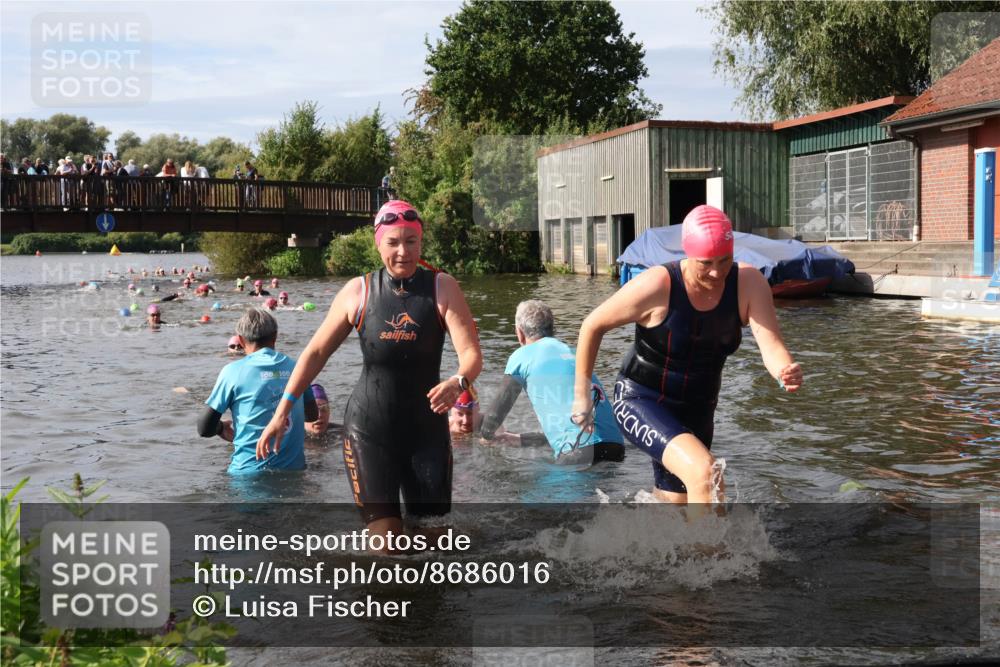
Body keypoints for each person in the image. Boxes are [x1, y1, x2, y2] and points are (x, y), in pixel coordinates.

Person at [255, 199, 482, 539]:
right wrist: (282, 412)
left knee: (435, 540)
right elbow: (315, 352)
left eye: (411, 241)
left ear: (421, 242)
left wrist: (458, 380)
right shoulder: (357, 292)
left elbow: (472, 354)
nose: (403, 252)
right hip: (370, 431)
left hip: (427, 434)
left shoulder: (441, 287)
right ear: (378, 244)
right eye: (393, 242)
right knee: (386, 542)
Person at [572, 205, 803, 504]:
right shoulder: (658, 285)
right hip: (641, 400)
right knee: (706, 474)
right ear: (687, 253)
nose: (717, 272)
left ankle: (640, 546)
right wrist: (582, 394)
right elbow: (592, 325)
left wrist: (785, 370)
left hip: (698, 411)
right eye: (706, 263)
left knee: (678, 506)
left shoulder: (748, 283)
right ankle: (718, 553)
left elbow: (771, 345)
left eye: (725, 260)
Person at [480, 300, 625, 465]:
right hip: (616, 446)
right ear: (552, 330)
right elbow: (562, 430)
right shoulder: (575, 353)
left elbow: (493, 416)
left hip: (577, 450)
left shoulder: (521, 356)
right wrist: (518, 439)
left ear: (519, 333)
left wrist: (486, 437)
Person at [198, 308, 319, 474]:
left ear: (240, 340)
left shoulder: (232, 371)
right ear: (276, 335)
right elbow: (312, 416)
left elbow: (204, 428)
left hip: (246, 473)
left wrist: (220, 428)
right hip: (294, 471)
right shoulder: (296, 368)